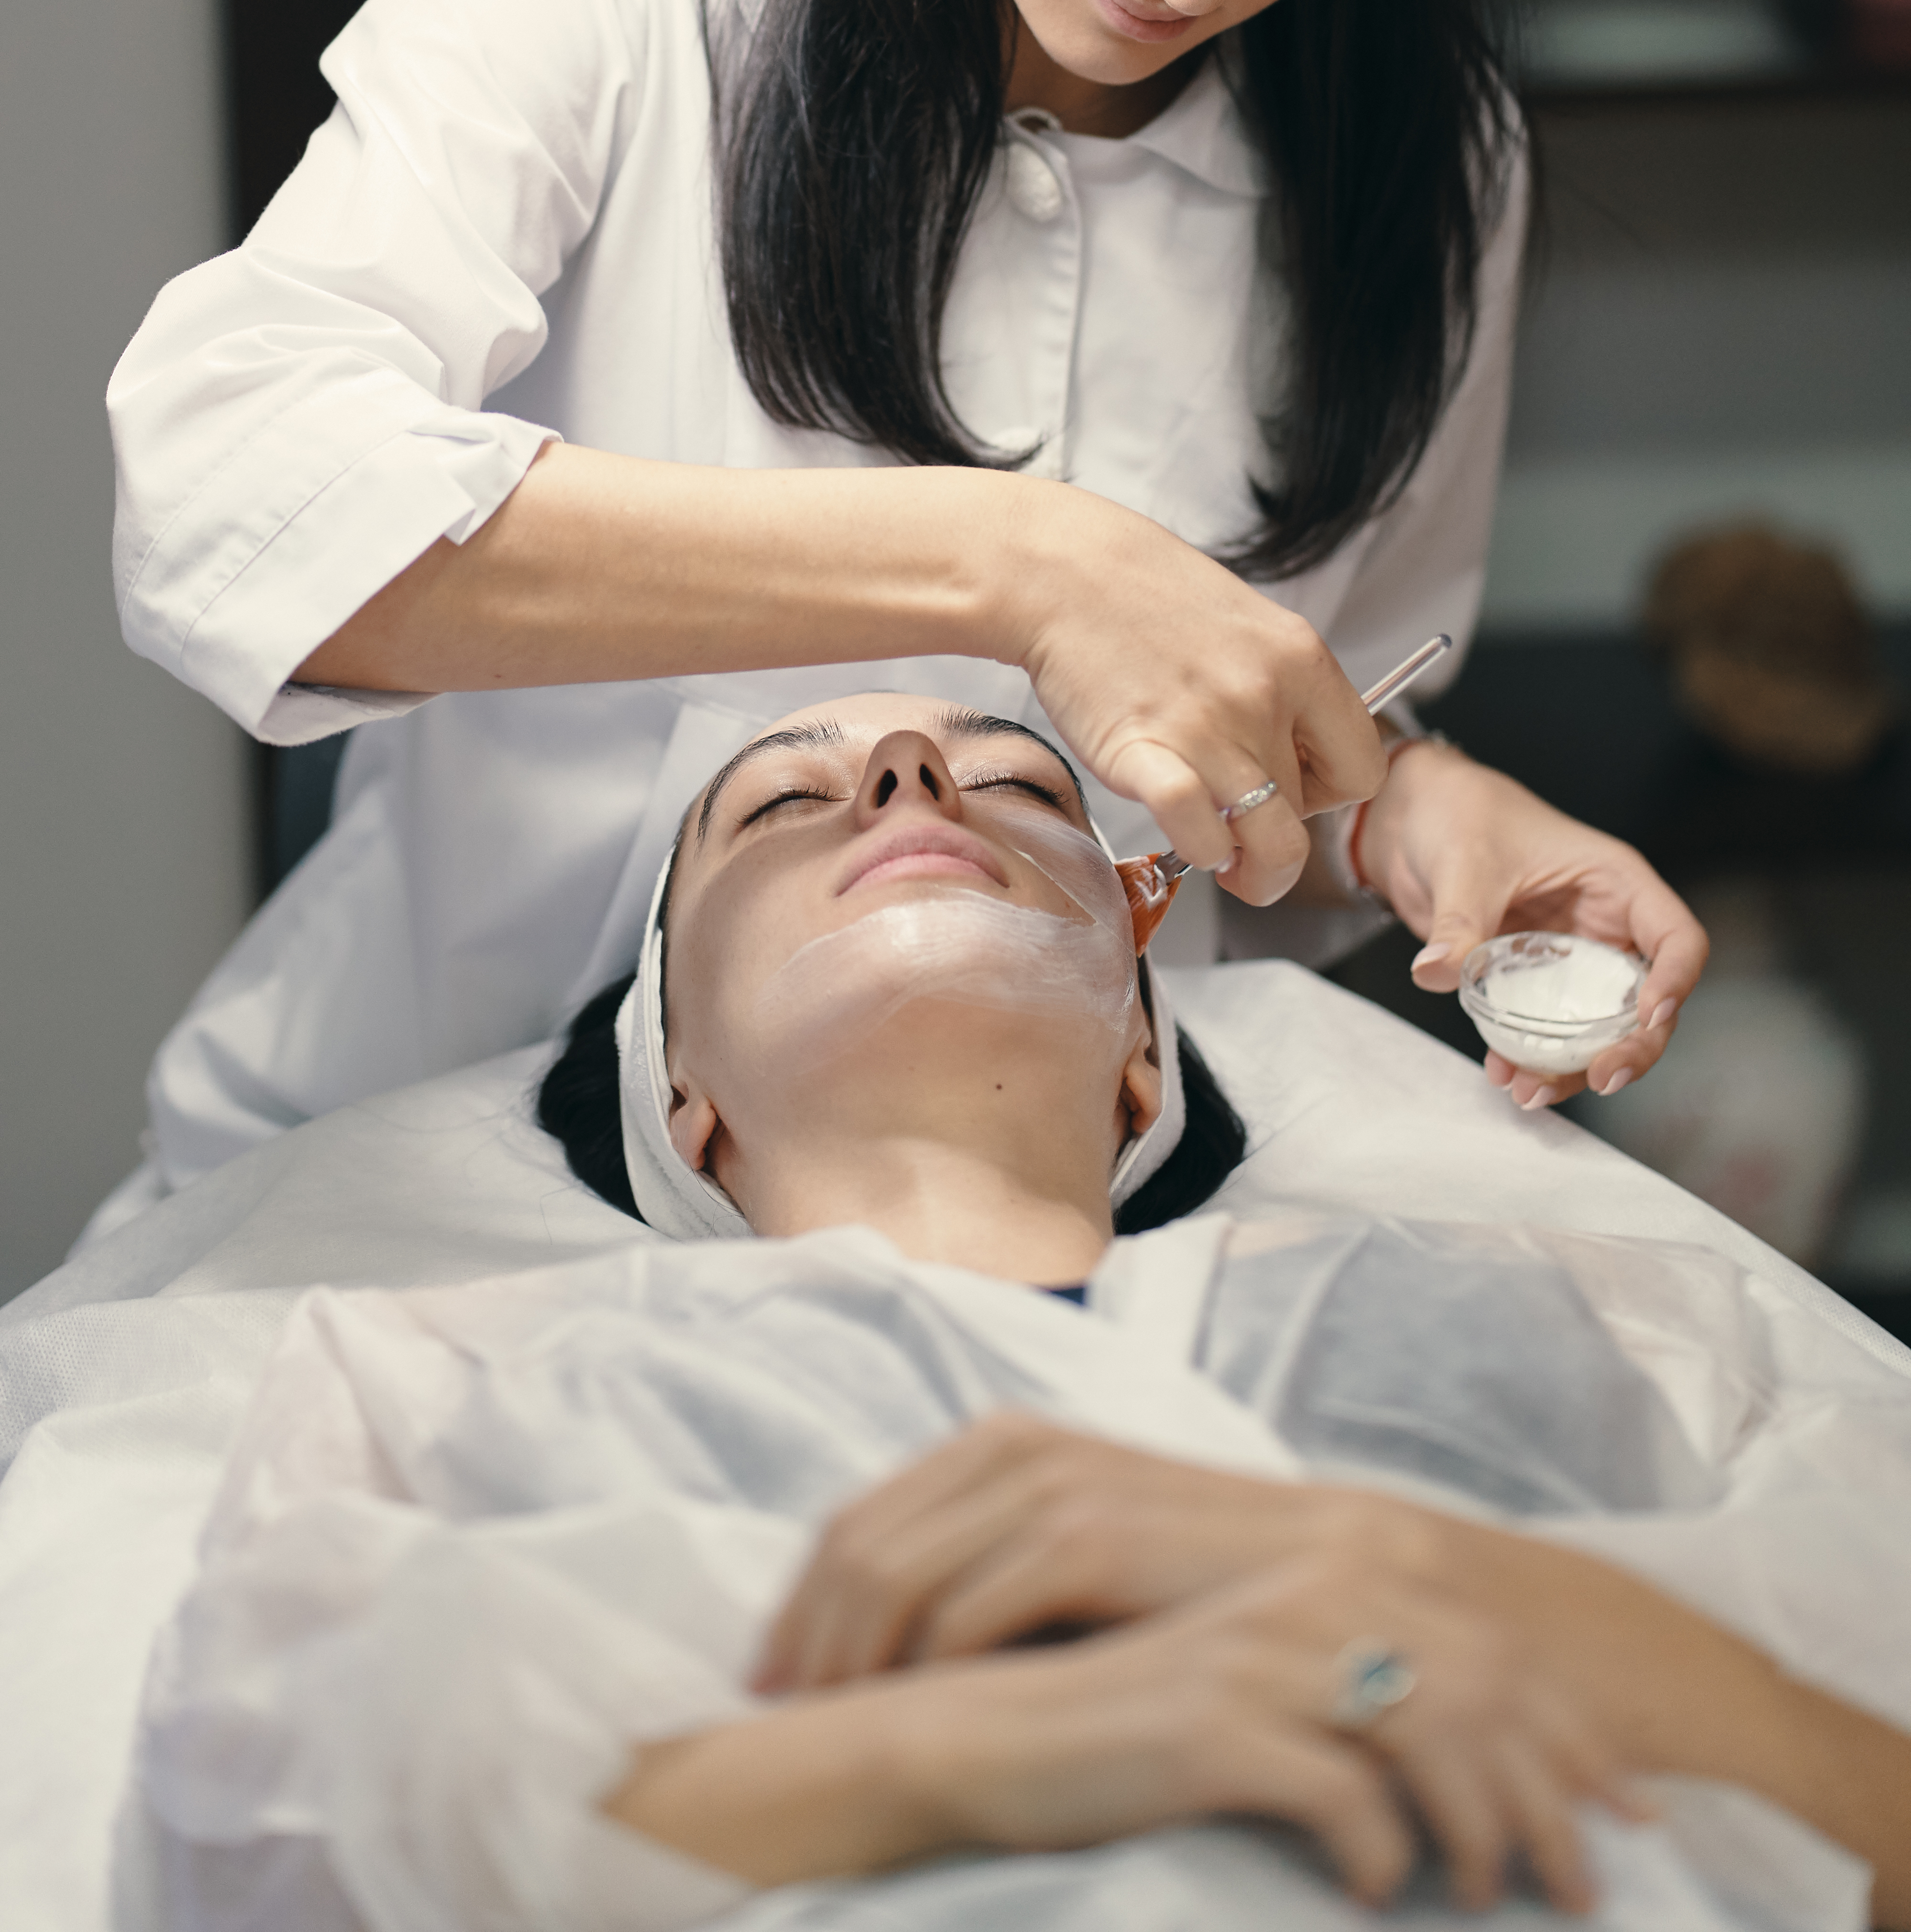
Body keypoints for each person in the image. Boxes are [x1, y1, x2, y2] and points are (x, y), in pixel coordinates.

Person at [108, 0, 1707, 1205]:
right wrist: (1005, 566)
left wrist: (1414, 810)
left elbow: (1289, 713)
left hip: (1027, 1215)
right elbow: (227, 498)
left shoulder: (1420, 146)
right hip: (436, 1189)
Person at [137, 694, 1911, 1932]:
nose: (913, 768)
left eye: (1021, 787)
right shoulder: (470, 1379)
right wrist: (978, 1755)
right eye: (780, 801)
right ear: (683, 1090)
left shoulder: (1569, 1306)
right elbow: (278, 1854)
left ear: (1146, 1059)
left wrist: (1434, 1589)